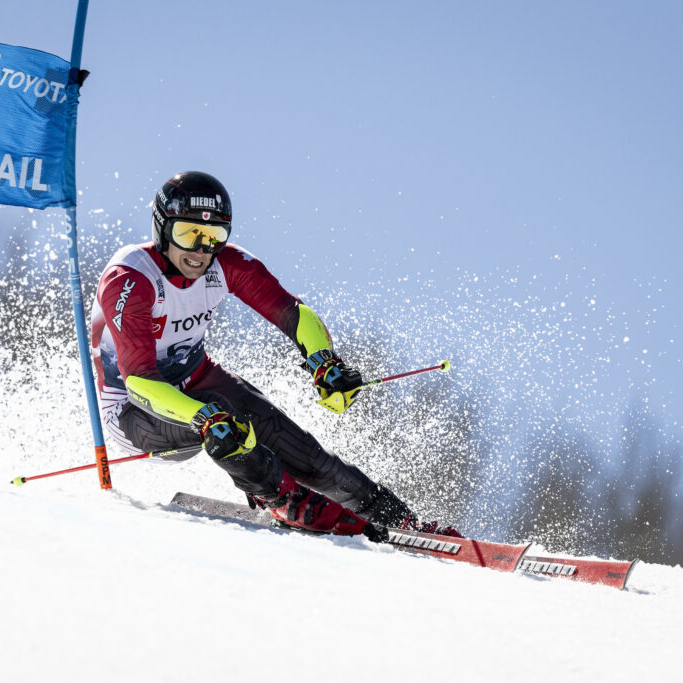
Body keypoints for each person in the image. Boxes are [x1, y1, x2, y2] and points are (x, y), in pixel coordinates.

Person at [90, 171, 460, 539]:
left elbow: (293, 313)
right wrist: (202, 416)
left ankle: (400, 522)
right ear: (162, 229)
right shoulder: (130, 279)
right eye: (189, 234)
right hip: (134, 412)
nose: (201, 250)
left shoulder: (226, 264)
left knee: (305, 453)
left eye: (214, 236)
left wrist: (324, 362)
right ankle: (282, 500)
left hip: (196, 378)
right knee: (222, 413)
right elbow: (139, 380)